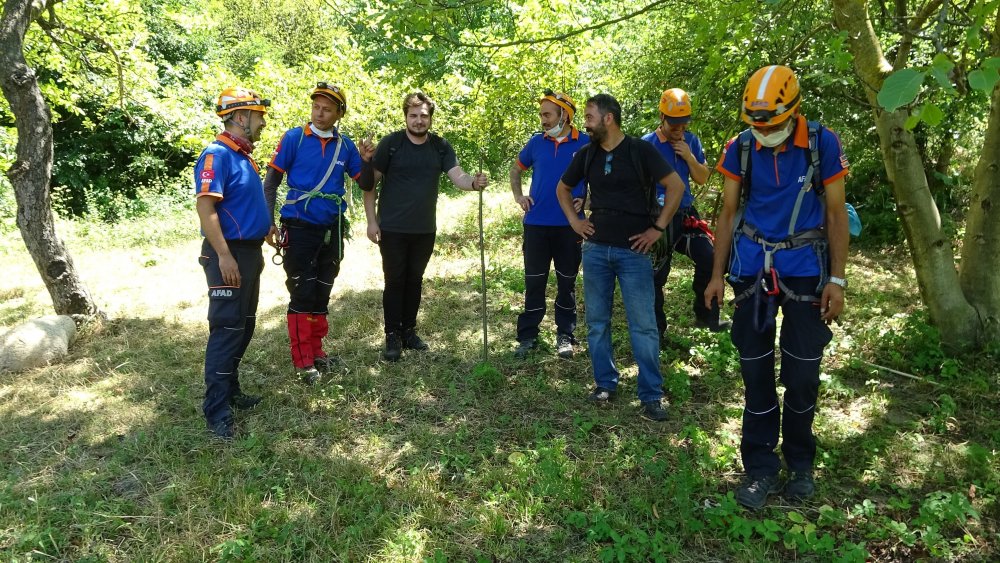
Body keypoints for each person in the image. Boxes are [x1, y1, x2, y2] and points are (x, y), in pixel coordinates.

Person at [704, 65, 849, 509]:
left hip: (805, 268)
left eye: (771, 123)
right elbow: (727, 213)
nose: (764, 132)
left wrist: (838, 279)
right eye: (756, 123)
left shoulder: (822, 143)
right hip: (752, 268)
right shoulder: (741, 147)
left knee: (803, 374)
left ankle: (801, 463)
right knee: (756, 372)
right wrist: (715, 274)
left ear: (794, 111)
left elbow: (836, 213)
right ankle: (761, 467)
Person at [556, 94, 686, 422]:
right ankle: (604, 384)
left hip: (634, 251)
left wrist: (657, 228)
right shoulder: (586, 154)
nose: (584, 122)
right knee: (597, 322)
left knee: (643, 326)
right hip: (596, 249)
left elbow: (676, 186)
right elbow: (562, 188)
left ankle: (651, 395)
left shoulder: (641, 150)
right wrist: (576, 222)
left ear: (608, 119)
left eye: (588, 116)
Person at [360, 92, 488, 361]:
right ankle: (392, 335)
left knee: (414, 281)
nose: (418, 121)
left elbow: (459, 176)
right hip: (392, 228)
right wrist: (372, 221)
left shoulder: (440, 147)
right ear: (406, 116)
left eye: (423, 116)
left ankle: (409, 332)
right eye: (413, 115)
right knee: (395, 281)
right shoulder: (391, 144)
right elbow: (369, 184)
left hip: (424, 229)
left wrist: (474, 183)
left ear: (430, 118)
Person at [263, 83, 374, 384]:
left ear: (339, 113)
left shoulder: (347, 146)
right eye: (316, 106)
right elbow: (271, 182)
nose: (320, 113)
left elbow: (365, 184)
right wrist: (269, 222)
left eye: (327, 109)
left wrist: (366, 160)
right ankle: (302, 361)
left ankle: (317, 352)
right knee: (302, 291)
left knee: (323, 290)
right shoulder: (294, 138)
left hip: (333, 227)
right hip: (298, 225)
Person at [194, 87, 271, 439]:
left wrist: (266, 229)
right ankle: (216, 412)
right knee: (227, 330)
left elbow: (241, 205)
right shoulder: (217, 155)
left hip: (249, 252)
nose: (263, 122)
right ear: (241, 117)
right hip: (229, 255)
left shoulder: (244, 156)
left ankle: (232, 390)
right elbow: (206, 208)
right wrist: (224, 255)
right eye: (259, 116)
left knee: (245, 324)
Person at [641, 88, 730, 340]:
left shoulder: (690, 141)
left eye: (684, 123)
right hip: (658, 217)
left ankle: (707, 317)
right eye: (674, 123)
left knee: (710, 258)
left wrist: (690, 158)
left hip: (686, 214)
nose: (679, 128)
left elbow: (702, 178)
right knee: (656, 274)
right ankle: (657, 330)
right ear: (662, 117)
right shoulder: (647, 144)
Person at [510, 90, 590, 359]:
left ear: (564, 115)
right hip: (536, 224)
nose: (543, 120)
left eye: (547, 114)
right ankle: (528, 335)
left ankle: (565, 335)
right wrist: (519, 196)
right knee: (534, 280)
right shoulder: (536, 142)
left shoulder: (587, 144)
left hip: (571, 226)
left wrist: (588, 200)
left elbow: (602, 178)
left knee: (566, 282)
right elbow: (515, 169)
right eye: (541, 114)